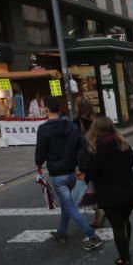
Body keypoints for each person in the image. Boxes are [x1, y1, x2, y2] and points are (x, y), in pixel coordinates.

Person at [35, 96, 103, 251]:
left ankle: (92, 235)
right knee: (67, 203)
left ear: (46, 109)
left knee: (70, 205)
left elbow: (40, 154)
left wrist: (39, 163)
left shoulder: (44, 129)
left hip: (57, 175)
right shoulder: (70, 126)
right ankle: (62, 232)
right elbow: (84, 145)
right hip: (72, 173)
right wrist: (81, 166)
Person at [83, 116, 133, 265]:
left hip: (110, 195)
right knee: (125, 219)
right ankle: (126, 248)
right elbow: (131, 164)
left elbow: (91, 173)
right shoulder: (123, 143)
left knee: (117, 226)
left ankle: (124, 257)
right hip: (129, 191)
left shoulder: (96, 148)